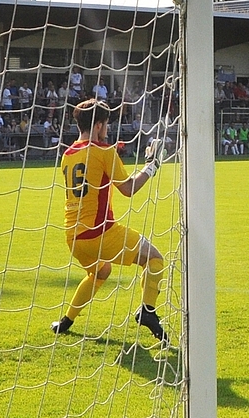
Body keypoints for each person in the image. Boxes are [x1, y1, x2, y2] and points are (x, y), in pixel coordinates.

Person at [51, 98, 168, 343]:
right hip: (101, 233)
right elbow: (128, 189)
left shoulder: (67, 154)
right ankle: (147, 311)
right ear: (98, 126)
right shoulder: (104, 151)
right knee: (155, 259)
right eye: (105, 125)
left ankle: (67, 321)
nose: (108, 130)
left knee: (101, 271)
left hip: (73, 237)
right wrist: (151, 166)